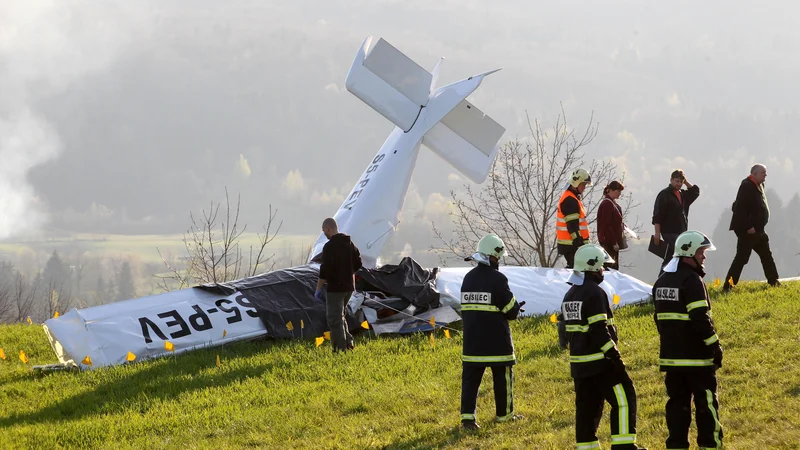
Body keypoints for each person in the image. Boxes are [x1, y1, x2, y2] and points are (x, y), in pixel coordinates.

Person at [562, 244, 645, 450]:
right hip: (600, 363)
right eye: (601, 267)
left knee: (587, 409)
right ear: (592, 266)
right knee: (625, 398)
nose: (603, 271)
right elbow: (599, 330)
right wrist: (615, 357)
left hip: (580, 366)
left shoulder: (570, 294)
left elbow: (565, 333)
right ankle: (624, 446)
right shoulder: (594, 293)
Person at [652, 230, 723, 450]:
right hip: (697, 360)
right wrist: (715, 346)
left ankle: (676, 446)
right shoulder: (692, 281)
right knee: (706, 405)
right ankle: (710, 446)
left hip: (672, 360)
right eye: (701, 252)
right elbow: (700, 319)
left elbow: (659, 320)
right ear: (688, 253)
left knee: (677, 406)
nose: (704, 256)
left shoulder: (661, 282)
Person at [459, 234, 524, 430]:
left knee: (470, 383)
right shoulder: (498, 279)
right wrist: (516, 309)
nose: (499, 261)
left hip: (472, 343)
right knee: (503, 380)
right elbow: (510, 311)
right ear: (492, 256)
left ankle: (468, 420)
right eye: (499, 257)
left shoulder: (467, 279)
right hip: (497, 343)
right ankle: (505, 416)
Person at [722, 164, 781, 292]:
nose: (765, 175)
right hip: (748, 231)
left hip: (759, 230)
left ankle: (773, 280)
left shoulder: (759, 186)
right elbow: (738, 208)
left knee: (766, 255)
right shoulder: (746, 186)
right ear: (754, 174)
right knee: (742, 258)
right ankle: (728, 286)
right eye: (763, 173)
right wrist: (748, 226)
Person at [316, 217, 363, 352]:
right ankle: (349, 343)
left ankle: (339, 349)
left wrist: (318, 288)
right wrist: (348, 273)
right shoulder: (349, 243)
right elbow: (359, 262)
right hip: (349, 287)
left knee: (334, 319)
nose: (324, 233)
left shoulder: (330, 246)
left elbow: (324, 270)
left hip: (335, 289)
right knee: (340, 315)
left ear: (328, 229)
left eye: (324, 230)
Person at [652, 169, 700, 270]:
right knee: (677, 255)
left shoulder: (683, 195)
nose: (679, 184)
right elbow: (657, 215)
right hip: (669, 231)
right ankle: (664, 278)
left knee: (672, 256)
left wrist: (686, 181)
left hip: (681, 231)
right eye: (676, 181)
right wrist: (657, 233)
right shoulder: (664, 194)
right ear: (671, 180)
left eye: (681, 182)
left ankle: (666, 278)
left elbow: (695, 192)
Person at [557, 168, 592, 269]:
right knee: (577, 270)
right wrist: (579, 243)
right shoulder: (570, 200)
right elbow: (572, 225)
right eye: (583, 185)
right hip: (572, 245)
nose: (584, 188)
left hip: (572, 244)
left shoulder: (572, 197)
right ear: (576, 183)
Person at [597, 180, 626, 270]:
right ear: (611, 190)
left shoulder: (612, 203)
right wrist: (614, 242)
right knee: (610, 267)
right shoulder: (607, 204)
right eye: (618, 191)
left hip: (611, 241)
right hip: (609, 242)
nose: (619, 194)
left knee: (613, 266)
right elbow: (606, 226)